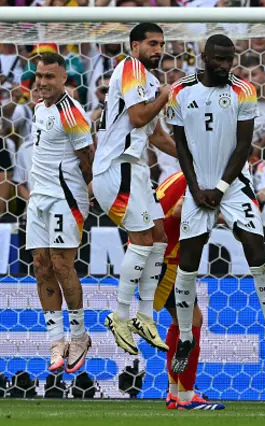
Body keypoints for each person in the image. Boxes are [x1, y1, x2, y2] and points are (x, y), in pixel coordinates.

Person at [166, 34, 265, 376]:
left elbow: (244, 145)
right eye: (217, 59)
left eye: (229, 59)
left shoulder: (244, 90)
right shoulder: (179, 91)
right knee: (187, 262)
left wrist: (219, 187)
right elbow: (181, 146)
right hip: (197, 185)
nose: (223, 65)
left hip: (233, 185)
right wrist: (195, 187)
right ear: (202, 55)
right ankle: (187, 337)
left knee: (256, 250)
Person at [93, 23, 176, 356]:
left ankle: (144, 314)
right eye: (152, 43)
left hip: (136, 169)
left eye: (161, 44)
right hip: (117, 167)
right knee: (142, 239)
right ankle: (120, 314)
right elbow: (140, 117)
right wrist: (166, 96)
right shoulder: (130, 69)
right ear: (134, 45)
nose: (158, 49)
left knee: (159, 237)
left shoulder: (150, 80)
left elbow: (156, 135)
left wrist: (192, 159)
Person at [26, 53, 94, 373]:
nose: (43, 83)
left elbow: (87, 157)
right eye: (40, 76)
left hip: (65, 199)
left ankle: (79, 336)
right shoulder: (40, 107)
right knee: (40, 265)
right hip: (38, 198)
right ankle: (56, 339)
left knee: (61, 263)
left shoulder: (73, 113)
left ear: (65, 79)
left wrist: (92, 193)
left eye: (50, 77)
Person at [153, 171, 224, 411]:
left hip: (155, 255)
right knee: (192, 320)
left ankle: (175, 393)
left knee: (181, 320)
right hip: (165, 259)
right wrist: (226, 216)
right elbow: (179, 210)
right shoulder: (200, 179)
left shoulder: (180, 175)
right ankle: (186, 396)